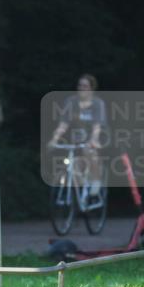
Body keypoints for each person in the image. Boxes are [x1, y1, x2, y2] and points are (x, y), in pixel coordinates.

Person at [46, 73, 107, 207]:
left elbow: (97, 127)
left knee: (89, 151)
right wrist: (54, 139)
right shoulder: (71, 102)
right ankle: (79, 191)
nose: (81, 88)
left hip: (97, 136)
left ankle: (96, 183)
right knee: (73, 162)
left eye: (85, 86)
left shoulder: (97, 103)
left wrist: (93, 140)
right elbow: (63, 124)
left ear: (91, 88)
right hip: (78, 137)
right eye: (80, 85)